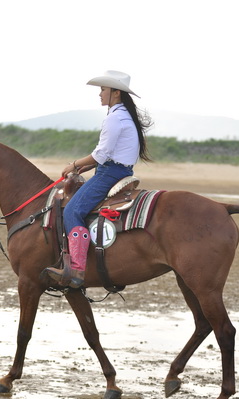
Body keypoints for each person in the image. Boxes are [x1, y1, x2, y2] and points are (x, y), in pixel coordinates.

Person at [46, 70, 152, 288]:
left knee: (73, 211)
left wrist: (74, 165)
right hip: (117, 170)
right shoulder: (124, 116)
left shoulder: (115, 118)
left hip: (109, 173)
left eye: (103, 89)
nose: (100, 94)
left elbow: (101, 155)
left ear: (115, 92)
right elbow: (106, 155)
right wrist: (83, 168)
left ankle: (76, 269)